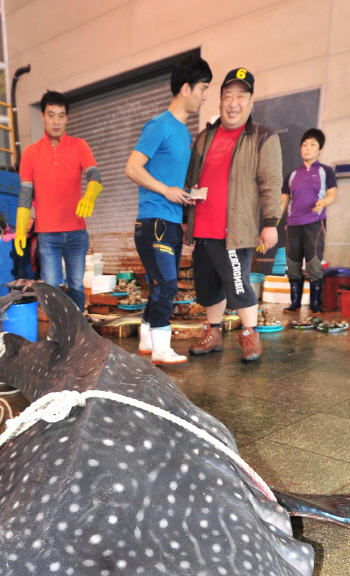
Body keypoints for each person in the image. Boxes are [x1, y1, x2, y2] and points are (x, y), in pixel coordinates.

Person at [185, 68, 282, 363]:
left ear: (251, 101)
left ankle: (250, 335)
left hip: (235, 229)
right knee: (208, 285)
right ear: (220, 101)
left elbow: (271, 182)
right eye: (228, 96)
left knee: (238, 284)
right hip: (203, 226)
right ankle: (213, 333)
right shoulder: (205, 136)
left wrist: (270, 223)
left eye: (240, 96)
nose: (233, 103)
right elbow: (191, 178)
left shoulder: (263, 136)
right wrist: (183, 218)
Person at [125, 54, 212, 366]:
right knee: (168, 285)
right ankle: (162, 346)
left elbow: (173, 180)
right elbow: (132, 168)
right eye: (203, 88)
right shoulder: (158, 126)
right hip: (154, 221)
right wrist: (167, 190)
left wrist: (187, 199)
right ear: (186, 88)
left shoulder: (185, 134)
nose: (205, 96)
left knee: (162, 284)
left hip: (173, 221)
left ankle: (149, 339)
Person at [14, 90, 102, 312]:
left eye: (61, 116)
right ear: (42, 116)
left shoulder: (79, 145)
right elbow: (25, 194)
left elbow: (94, 175)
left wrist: (90, 195)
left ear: (67, 118)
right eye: (51, 115)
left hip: (76, 232)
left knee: (76, 286)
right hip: (48, 235)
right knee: (51, 288)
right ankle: (59, 334)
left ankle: (77, 333)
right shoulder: (31, 153)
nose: (56, 121)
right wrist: (20, 228)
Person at [281, 128, 337, 314]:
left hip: (314, 222)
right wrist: (272, 223)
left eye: (313, 144)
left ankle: (315, 304)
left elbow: (332, 195)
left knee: (313, 263)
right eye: (304, 144)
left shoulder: (325, 171)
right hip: (293, 224)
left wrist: (323, 203)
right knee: (293, 264)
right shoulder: (292, 175)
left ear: (320, 149)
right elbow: (283, 201)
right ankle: (295, 303)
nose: (307, 148)